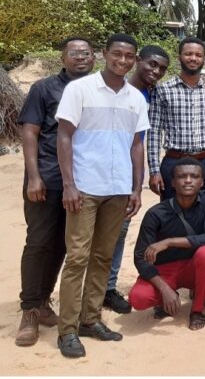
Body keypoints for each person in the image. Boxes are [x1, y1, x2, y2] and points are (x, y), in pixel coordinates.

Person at [54, 33, 149, 358]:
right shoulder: (79, 90)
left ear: (134, 60)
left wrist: (136, 187)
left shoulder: (136, 98)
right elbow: (64, 136)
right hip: (84, 188)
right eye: (117, 54)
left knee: (103, 257)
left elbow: (137, 145)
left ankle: (90, 319)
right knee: (78, 257)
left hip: (119, 189)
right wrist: (68, 184)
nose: (122, 61)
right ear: (104, 54)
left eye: (128, 56)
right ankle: (67, 329)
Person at [16, 37, 97, 347]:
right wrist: (33, 177)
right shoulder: (44, 88)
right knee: (38, 242)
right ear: (62, 57)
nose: (80, 58)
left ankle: (44, 301)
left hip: (82, 182)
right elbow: (29, 132)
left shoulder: (96, 91)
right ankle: (29, 312)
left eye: (85, 53)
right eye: (73, 53)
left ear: (94, 58)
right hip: (47, 179)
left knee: (64, 245)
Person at [104, 45, 170, 316]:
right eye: (152, 64)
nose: (156, 71)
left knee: (119, 233)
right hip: (99, 171)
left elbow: (148, 140)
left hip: (130, 173)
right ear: (138, 61)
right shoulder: (116, 91)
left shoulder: (153, 95)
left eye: (162, 69)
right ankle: (90, 289)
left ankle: (107, 288)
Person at [128, 158, 205, 331]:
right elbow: (140, 257)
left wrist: (169, 242)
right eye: (182, 176)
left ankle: (197, 311)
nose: (188, 180)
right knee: (138, 298)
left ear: (202, 182)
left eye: (194, 176)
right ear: (172, 182)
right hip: (165, 270)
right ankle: (168, 297)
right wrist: (164, 289)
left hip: (194, 266)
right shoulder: (156, 214)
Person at [147, 37, 205, 200]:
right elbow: (154, 133)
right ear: (179, 57)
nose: (193, 58)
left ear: (203, 59)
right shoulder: (163, 91)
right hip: (174, 162)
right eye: (188, 54)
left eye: (198, 55)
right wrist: (154, 171)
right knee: (172, 215)